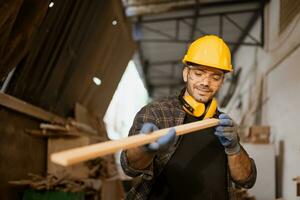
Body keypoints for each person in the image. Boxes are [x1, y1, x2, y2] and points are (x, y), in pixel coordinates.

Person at [121, 35, 256, 200]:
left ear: (222, 82)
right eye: (199, 73)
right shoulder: (156, 113)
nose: (206, 83)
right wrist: (145, 149)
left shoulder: (223, 124)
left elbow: (246, 180)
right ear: (186, 74)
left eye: (215, 77)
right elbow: (129, 168)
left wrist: (234, 148)